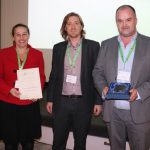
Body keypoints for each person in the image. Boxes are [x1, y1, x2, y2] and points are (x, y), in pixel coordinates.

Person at [93, 5, 150, 150]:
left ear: (136, 20)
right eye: (120, 21)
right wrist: (103, 88)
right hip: (113, 112)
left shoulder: (148, 44)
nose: (124, 24)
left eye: (128, 20)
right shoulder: (106, 44)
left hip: (140, 111)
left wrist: (140, 91)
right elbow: (97, 72)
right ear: (116, 22)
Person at [46, 12, 102, 150]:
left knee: (80, 142)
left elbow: (98, 75)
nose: (73, 26)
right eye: (69, 23)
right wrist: (50, 99)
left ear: (82, 26)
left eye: (76, 23)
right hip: (61, 102)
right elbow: (53, 76)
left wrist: (98, 101)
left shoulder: (93, 46)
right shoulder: (58, 48)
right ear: (65, 28)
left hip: (83, 102)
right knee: (58, 141)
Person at [0, 23, 45, 150]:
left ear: (28, 36)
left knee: (28, 141)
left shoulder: (37, 54)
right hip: (8, 103)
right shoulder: (3, 53)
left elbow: (41, 76)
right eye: (18, 34)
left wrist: (37, 92)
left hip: (29, 103)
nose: (21, 38)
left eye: (24, 34)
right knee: (10, 142)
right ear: (13, 37)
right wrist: (9, 89)